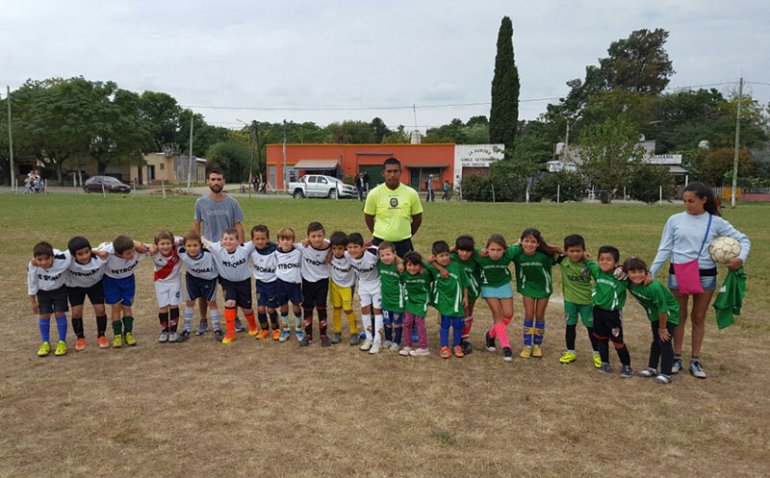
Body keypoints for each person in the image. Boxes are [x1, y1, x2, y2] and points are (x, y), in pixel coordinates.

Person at [649, 182, 750, 379]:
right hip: (678, 273)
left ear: (704, 200)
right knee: (678, 316)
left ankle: (695, 360)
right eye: (684, 201)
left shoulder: (716, 222)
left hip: (705, 275)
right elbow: (665, 248)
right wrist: (652, 271)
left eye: (692, 201)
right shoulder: (674, 220)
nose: (687, 205)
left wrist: (740, 258)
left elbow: (744, 240)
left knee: (698, 317)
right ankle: (676, 357)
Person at [193, 166, 246, 335]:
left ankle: (234, 317)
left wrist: (240, 246)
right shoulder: (200, 202)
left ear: (224, 181)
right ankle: (203, 319)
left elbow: (238, 225)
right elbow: (197, 225)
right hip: (208, 251)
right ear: (207, 181)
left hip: (228, 251)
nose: (216, 182)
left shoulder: (232, 202)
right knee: (204, 290)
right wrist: (195, 246)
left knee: (230, 287)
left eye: (219, 179)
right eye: (213, 179)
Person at [624, 257, 679, 384]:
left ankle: (666, 373)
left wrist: (663, 328)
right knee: (656, 341)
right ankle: (652, 368)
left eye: (641, 271)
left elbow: (663, 309)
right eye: (633, 272)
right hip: (655, 314)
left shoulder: (653, 287)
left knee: (664, 341)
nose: (637, 275)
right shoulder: (628, 283)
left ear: (646, 272)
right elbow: (618, 270)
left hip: (668, 314)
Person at [585, 246, 632, 378]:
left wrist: (623, 268)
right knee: (601, 339)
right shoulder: (597, 271)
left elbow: (634, 269)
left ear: (615, 262)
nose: (604, 262)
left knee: (618, 341)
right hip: (598, 312)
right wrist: (585, 254)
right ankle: (605, 363)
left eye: (608, 260)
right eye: (601, 259)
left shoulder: (621, 277)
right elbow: (587, 260)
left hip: (613, 315)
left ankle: (626, 365)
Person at [94, 236, 149, 348]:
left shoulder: (136, 252)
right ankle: (117, 335)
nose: (132, 254)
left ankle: (128, 333)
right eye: (128, 253)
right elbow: (90, 250)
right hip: (111, 282)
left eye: (132, 251)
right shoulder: (108, 254)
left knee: (127, 307)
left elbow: (153, 248)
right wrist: (100, 252)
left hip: (128, 281)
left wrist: (140, 245)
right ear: (118, 253)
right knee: (116, 307)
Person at [513, 228, 560, 359]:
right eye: (526, 241)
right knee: (529, 314)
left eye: (533, 242)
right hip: (527, 287)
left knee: (539, 315)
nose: (529, 244)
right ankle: (527, 346)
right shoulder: (518, 255)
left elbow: (561, 256)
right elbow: (505, 252)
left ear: (538, 244)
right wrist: (516, 245)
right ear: (521, 241)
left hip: (543, 288)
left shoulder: (544, 256)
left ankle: (537, 345)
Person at [203, 228, 257, 344]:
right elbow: (201, 240)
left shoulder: (244, 249)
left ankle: (253, 326)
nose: (228, 241)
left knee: (246, 309)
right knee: (230, 303)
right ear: (221, 241)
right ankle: (230, 332)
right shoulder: (216, 248)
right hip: (227, 282)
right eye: (225, 239)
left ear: (238, 241)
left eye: (231, 239)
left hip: (243, 282)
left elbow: (258, 240)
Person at [363, 157, 423, 258]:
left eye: (395, 171)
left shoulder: (411, 193)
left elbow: (417, 218)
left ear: (401, 172)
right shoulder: (374, 193)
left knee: (404, 271)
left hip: (404, 244)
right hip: (380, 242)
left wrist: (406, 234)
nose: (392, 175)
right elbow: (368, 218)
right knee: (382, 272)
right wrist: (379, 233)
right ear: (383, 173)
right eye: (389, 171)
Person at [556, 234, 601, 368]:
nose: (575, 254)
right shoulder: (563, 261)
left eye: (578, 251)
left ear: (584, 250)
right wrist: (560, 251)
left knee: (591, 327)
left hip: (587, 301)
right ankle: (571, 352)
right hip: (570, 301)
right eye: (571, 251)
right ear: (566, 251)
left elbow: (601, 276)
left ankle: (597, 353)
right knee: (570, 326)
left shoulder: (589, 263)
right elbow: (548, 250)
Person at [476, 234, 516, 362]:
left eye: (499, 250)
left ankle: (490, 334)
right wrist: (479, 251)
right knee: (498, 315)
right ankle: (506, 347)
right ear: (486, 248)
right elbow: (465, 248)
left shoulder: (508, 254)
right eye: (492, 249)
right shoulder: (481, 255)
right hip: (488, 287)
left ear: (504, 249)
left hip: (503, 284)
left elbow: (521, 245)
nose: (495, 253)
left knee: (508, 315)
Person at [28, 242, 72, 357]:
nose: (43, 262)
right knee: (44, 315)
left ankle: (62, 341)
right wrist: (33, 301)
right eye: (39, 259)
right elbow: (32, 282)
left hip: (60, 290)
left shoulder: (62, 259)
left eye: (47, 259)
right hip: (43, 292)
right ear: (35, 258)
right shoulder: (33, 265)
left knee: (59, 313)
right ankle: (45, 343)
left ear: (52, 257)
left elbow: (72, 249)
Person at [65, 236, 108, 351]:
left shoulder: (100, 258)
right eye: (80, 254)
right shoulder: (67, 260)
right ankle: (80, 338)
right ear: (73, 255)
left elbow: (113, 246)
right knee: (76, 313)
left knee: (100, 310)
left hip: (95, 285)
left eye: (87, 252)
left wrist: (96, 251)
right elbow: (55, 255)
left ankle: (101, 335)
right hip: (75, 287)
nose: (84, 256)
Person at [427, 241, 469, 359]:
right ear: (435, 257)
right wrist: (438, 267)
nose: (445, 258)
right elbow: (425, 261)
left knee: (458, 325)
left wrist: (465, 297)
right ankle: (444, 346)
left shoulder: (456, 266)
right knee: (444, 325)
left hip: (457, 301)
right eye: (441, 256)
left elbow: (465, 283)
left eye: (446, 255)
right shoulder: (432, 267)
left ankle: (456, 345)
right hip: (443, 302)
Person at [179, 231, 223, 342]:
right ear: (184, 246)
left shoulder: (209, 252)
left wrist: (205, 240)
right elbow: (171, 240)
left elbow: (219, 246)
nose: (192, 248)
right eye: (189, 245)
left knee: (211, 302)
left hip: (209, 279)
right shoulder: (181, 252)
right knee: (190, 301)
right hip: (193, 278)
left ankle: (217, 328)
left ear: (201, 245)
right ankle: (186, 329)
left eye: (195, 245)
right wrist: (180, 240)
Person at [346, 232, 383, 354]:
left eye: (356, 247)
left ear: (363, 247)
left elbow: (388, 252)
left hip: (377, 284)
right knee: (365, 309)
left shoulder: (373, 252)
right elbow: (332, 248)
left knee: (377, 310)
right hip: (363, 285)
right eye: (350, 247)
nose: (352, 250)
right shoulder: (347, 255)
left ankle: (377, 341)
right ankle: (369, 338)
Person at [299, 222, 332, 347]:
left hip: (322, 281)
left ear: (324, 235)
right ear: (308, 237)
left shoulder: (329, 245)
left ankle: (323, 334)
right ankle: (308, 334)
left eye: (319, 236)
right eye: (313, 236)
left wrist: (332, 251)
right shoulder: (303, 246)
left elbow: (341, 243)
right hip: (307, 281)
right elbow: (286, 246)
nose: (317, 239)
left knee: (321, 307)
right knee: (307, 307)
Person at [148, 230, 184, 344]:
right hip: (160, 282)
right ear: (157, 245)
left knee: (174, 305)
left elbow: (190, 239)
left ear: (173, 243)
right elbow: (136, 245)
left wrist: (179, 241)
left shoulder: (178, 250)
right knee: (163, 306)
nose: (165, 246)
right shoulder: (153, 251)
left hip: (175, 281)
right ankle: (164, 331)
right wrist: (150, 247)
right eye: (162, 244)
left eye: (168, 243)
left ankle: (173, 331)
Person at [450, 235, 481, 355]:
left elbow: (485, 254)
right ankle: (457, 336)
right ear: (457, 249)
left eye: (468, 251)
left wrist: (477, 251)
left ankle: (465, 338)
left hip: (471, 290)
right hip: (455, 291)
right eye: (461, 250)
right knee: (457, 314)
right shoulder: (452, 257)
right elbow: (435, 256)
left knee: (468, 313)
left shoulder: (475, 258)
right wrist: (452, 248)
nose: (464, 254)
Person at [398, 251, 432, 357]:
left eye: (415, 265)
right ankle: (407, 345)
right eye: (409, 265)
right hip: (409, 301)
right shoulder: (403, 275)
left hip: (421, 301)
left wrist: (424, 263)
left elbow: (432, 270)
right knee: (407, 323)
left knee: (419, 323)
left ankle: (423, 348)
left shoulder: (425, 274)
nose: (412, 268)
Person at [328, 231, 360, 345]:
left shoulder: (349, 256)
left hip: (347, 286)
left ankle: (354, 332)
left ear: (345, 248)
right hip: (335, 285)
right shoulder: (330, 254)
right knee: (336, 308)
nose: (337, 251)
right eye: (334, 248)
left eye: (340, 248)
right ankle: (337, 332)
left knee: (347, 309)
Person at [250, 225, 281, 341]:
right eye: (257, 239)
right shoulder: (251, 250)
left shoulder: (275, 251)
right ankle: (264, 329)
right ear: (252, 240)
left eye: (263, 238)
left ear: (267, 239)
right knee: (261, 309)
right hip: (260, 284)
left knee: (271, 309)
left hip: (272, 284)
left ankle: (276, 329)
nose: (260, 241)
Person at [274, 227, 304, 343]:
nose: (285, 242)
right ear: (278, 241)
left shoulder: (298, 252)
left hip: (294, 284)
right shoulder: (275, 253)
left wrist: (297, 245)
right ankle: (286, 329)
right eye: (282, 239)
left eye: (289, 239)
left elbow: (304, 246)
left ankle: (298, 329)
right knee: (283, 306)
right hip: (280, 283)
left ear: (293, 241)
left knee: (296, 305)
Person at [377, 241, 404, 352]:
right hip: (385, 300)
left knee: (397, 323)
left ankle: (397, 342)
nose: (385, 257)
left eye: (388, 254)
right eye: (382, 255)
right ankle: (388, 339)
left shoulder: (399, 267)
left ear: (394, 254)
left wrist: (399, 261)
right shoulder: (380, 264)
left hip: (398, 301)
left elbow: (404, 262)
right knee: (387, 322)